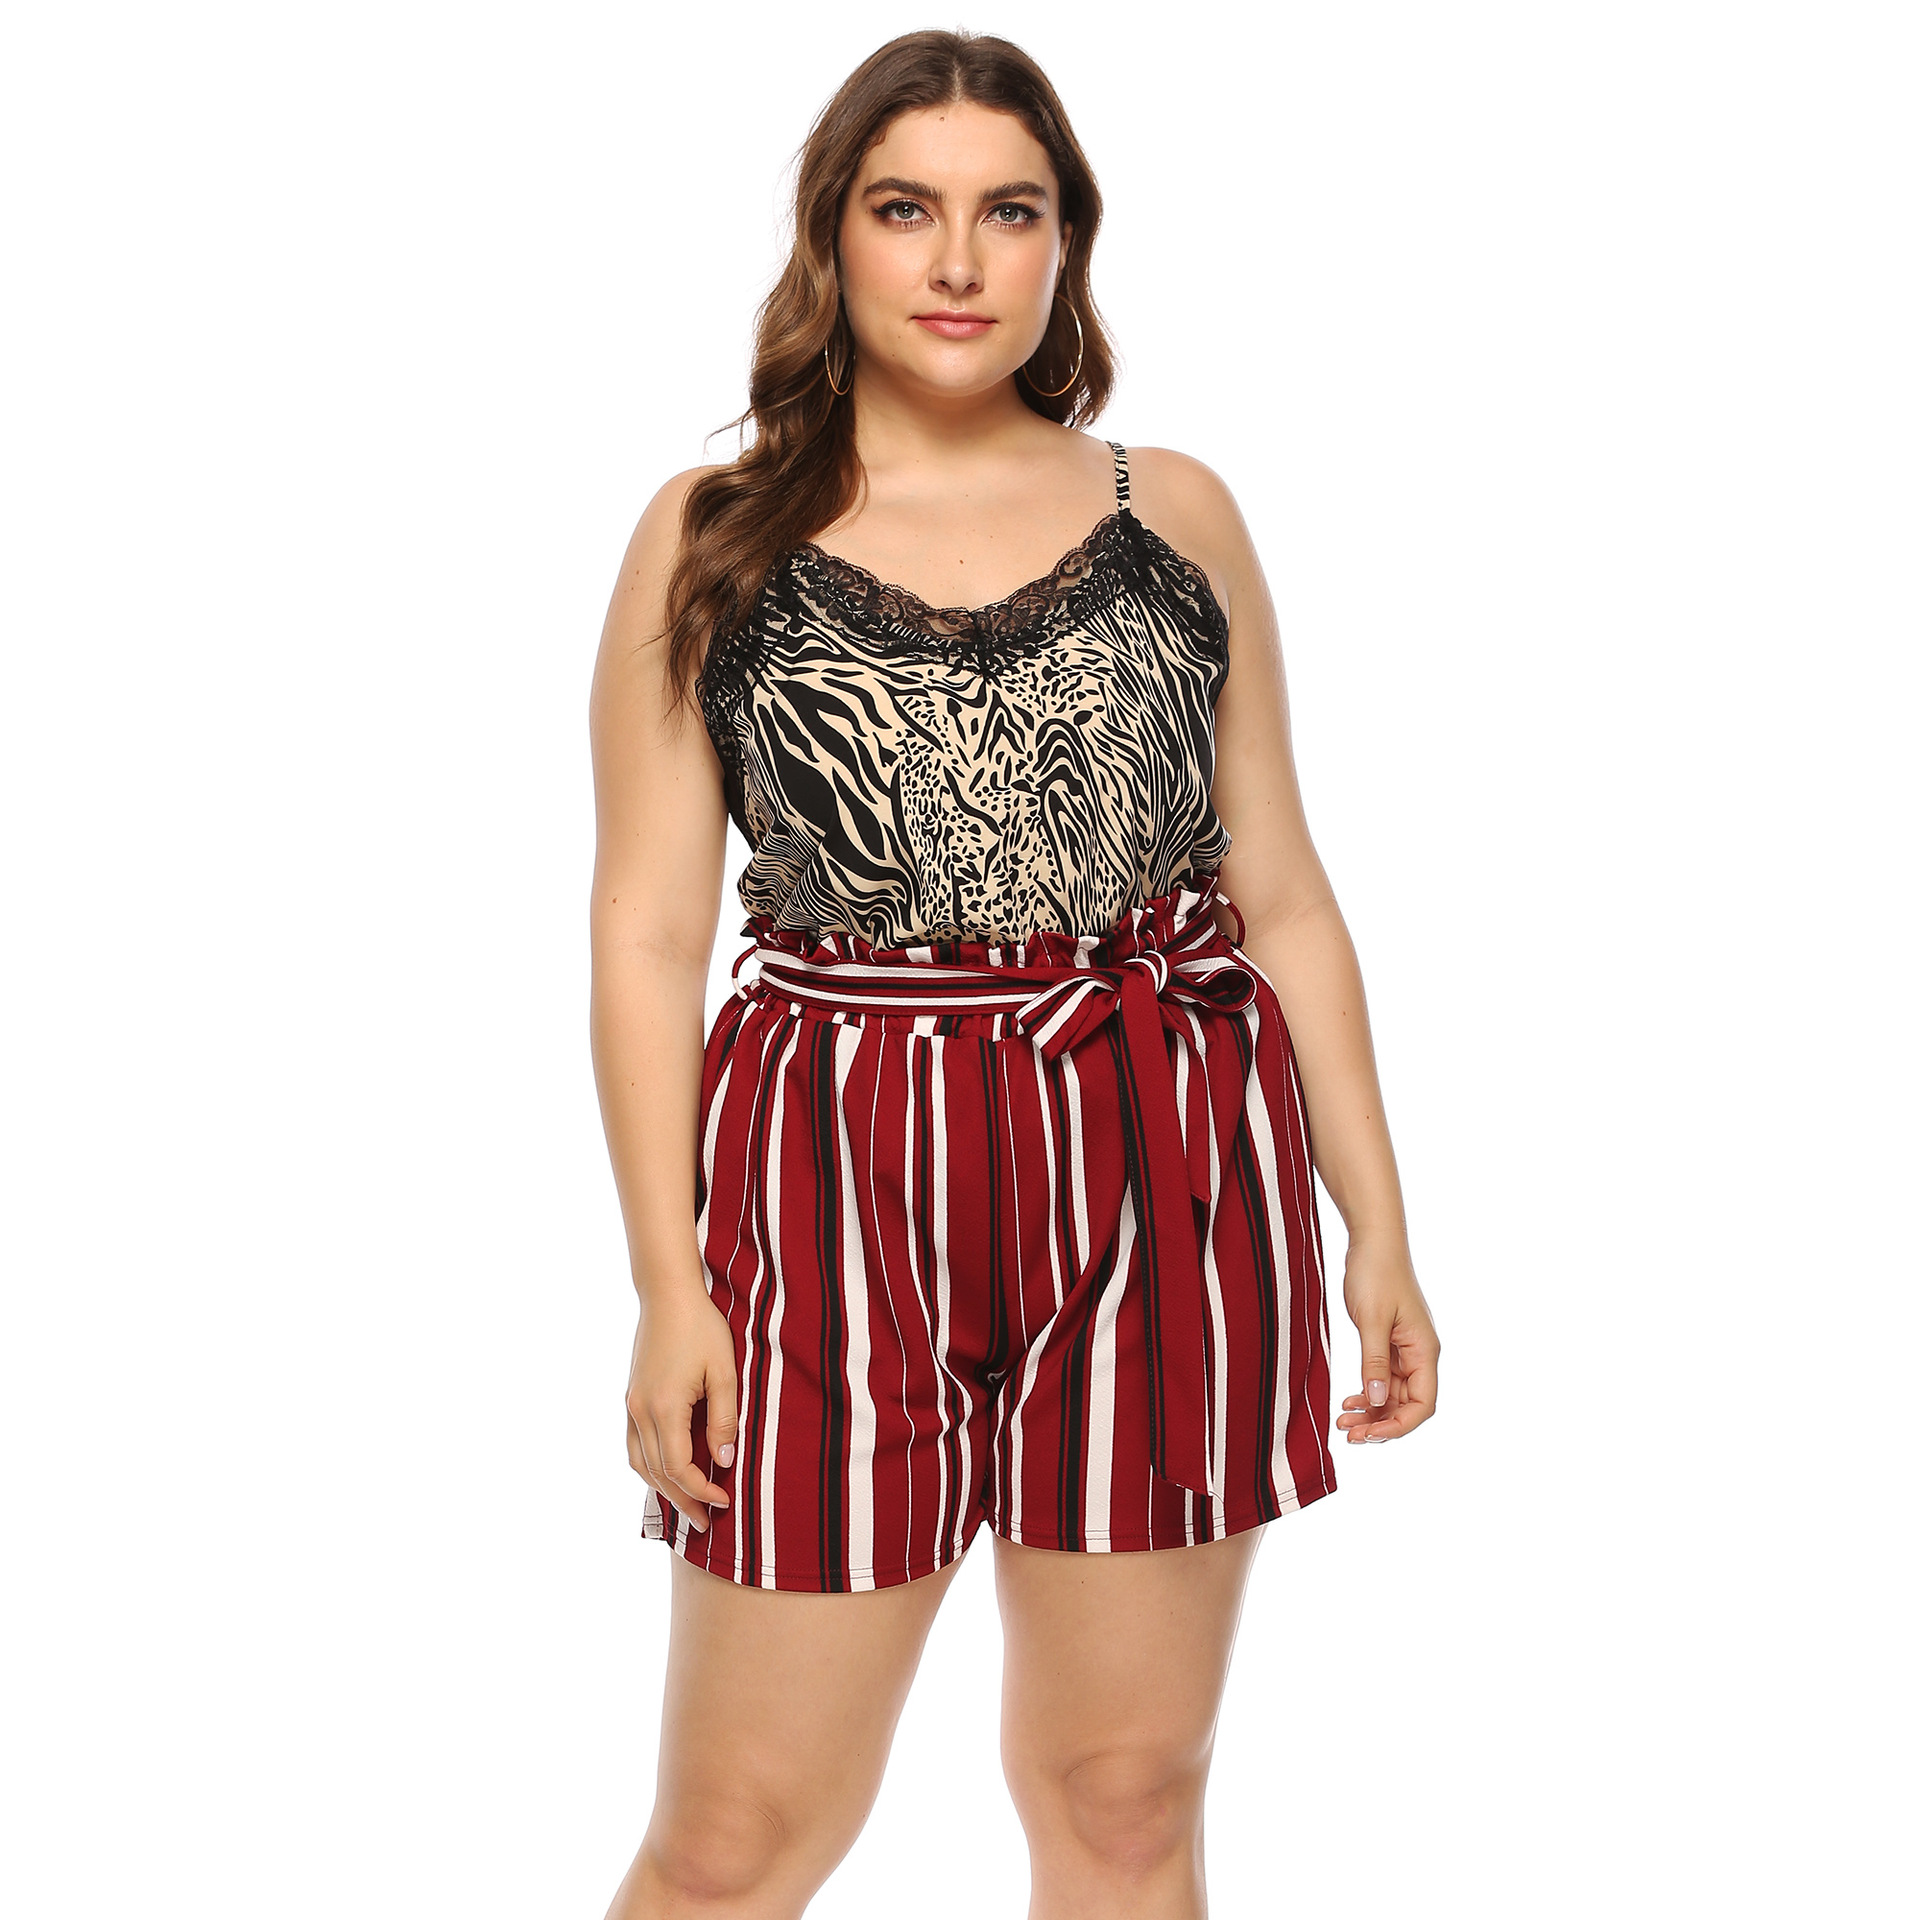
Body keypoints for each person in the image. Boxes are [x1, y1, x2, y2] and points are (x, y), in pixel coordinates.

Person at [587, 27, 1439, 1918]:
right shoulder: (713, 539)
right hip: (836, 1166)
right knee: (732, 1842)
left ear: (1070, 241)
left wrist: (1374, 1222)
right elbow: (644, 935)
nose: (960, 261)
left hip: (1164, 1157)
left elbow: (1284, 894)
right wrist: (667, 1282)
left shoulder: (1174, 513)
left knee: (1125, 1799)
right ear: (835, 236)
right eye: (907, 210)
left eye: (1011, 212)